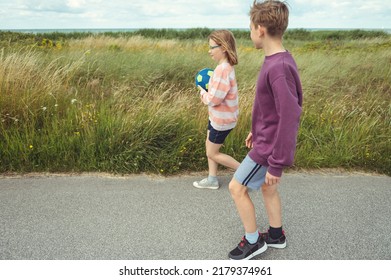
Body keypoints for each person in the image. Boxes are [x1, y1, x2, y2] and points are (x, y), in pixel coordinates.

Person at [228, 0, 303, 260]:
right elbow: (270, 107)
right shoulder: (276, 59)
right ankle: (275, 235)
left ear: (260, 29)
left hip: (268, 148)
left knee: (236, 188)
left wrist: (277, 163)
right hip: (265, 138)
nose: (249, 33)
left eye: (250, 28)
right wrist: (256, 129)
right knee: (268, 188)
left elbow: (290, 115)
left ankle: (253, 242)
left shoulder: (278, 67)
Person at [193, 30, 240, 190]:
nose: (209, 51)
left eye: (212, 47)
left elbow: (214, 99)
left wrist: (202, 92)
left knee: (212, 153)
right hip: (217, 117)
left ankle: (246, 173)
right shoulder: (225, 67)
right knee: (209, 147)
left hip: (221, 121)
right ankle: (212, 179)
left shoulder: (222, 70)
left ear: (224, 47)